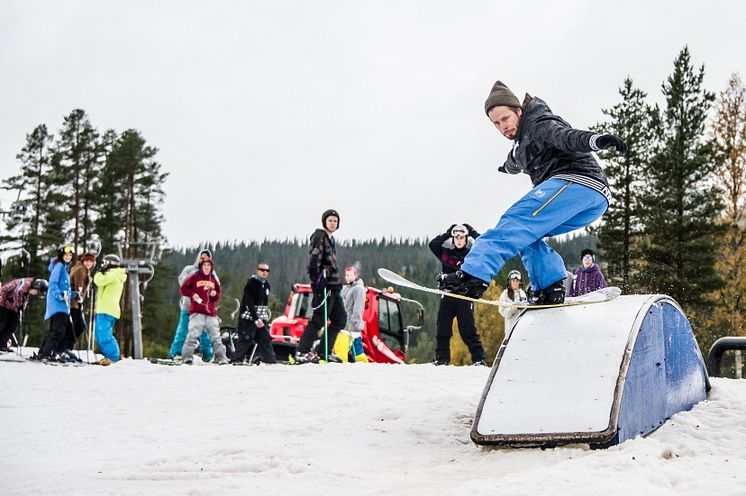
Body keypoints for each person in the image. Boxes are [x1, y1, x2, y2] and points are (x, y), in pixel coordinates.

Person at [439, 81, 627, 305]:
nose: (503, 127)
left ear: (519, 111)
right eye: (496, 124)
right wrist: (505, 167)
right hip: (591, 201)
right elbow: (513, 162)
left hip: (577, 182)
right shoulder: (518, 149)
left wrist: (595, 140)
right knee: (526, 236)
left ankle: (472, 275)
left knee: (514, 222)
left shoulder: (538, 123)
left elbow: (564, 136)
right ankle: (550, 285)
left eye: (506, 119)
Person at [430, 224, 487, 366]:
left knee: (468, 331)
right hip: (448, 296)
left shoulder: (471, 254)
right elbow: (433, 245)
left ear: (466, 239)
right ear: (453, 239)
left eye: (462, 237)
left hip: (464, 297)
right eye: (456, 237)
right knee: (443, 330)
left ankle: (479, 359)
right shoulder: (447, 254)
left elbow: (484, 245)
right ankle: (442, 359)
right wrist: (447, 233)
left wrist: (473, 233)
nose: (459, 240)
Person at [295, 209, 347, 364]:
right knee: (319, 319)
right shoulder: (320, 236)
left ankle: (324, 352)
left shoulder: (331, 239)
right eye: (330, 220)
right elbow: (314, 260)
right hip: (325, 286)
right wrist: (317, 280)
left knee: (339, 319)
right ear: (324, 221)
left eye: (335, 221)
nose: (333, 223)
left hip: (334, 286)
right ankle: (301, 351)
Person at [168, 249, 215, 361]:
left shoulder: (211, 274)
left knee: (205, 333)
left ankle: (207, 355)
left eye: (206, 259)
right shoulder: (189, 270)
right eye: (202, 258)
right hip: (188, 307)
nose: (203, 260)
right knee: (182, 330)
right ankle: (176, 353)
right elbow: (183, 283)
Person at [179, 257, 229, 365]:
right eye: (205, 265)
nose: (206, 268)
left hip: (210, 313)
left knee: (216, 336)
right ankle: (187, 357)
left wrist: (215, 294)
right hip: (197, 312)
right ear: (201, 267)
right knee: (193, 334)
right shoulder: (195, 277)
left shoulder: (213, 279)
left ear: (211, 267)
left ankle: (221, 357)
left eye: (209, 266)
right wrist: (193, 294)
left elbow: (218, 296)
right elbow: (183, 289)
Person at [231, 263, 277, 365]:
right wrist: (256, 319)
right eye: (262, 270)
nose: (265, 272)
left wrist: (262, 319)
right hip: (248, 317)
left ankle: (270, 361)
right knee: (246, 339)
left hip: (261, 317)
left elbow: (264, 304)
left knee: (265, 339)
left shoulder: (267, 285)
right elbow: (249, 303)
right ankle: (236, 360)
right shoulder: (251, 284)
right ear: (257, 271)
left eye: (267, 271)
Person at [37, 244, 75, 360]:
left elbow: (63, 287)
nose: (68, 257)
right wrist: (59, 296)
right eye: (66, 254)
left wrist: (73, 294)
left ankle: (43, 351)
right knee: (58, 331)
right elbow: (52, 283)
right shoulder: (59, 266)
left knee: (55, 330)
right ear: (61, 255)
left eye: (70, 255)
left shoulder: (63, 267)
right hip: (58, 305)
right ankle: (46, 354)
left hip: (60, 305)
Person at [93, 254, 127, 365]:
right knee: (100, 335)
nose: (103, 265)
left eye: (105, 263)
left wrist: (99, 272)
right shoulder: (115, 274)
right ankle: (110, 356)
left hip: (106, 309)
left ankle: (113, 357)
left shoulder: (112, 274)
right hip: (107, 308)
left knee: (104, 336)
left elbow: (98, 280)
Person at [62, 252, 96, 361]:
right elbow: (79, 286)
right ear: (83, 261)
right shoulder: (81, 269)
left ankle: (66, 347)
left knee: (77, 326)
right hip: (73, 303)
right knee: (76, 327)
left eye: (91, 261)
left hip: (75, 303)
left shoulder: (81, 268)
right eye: (87, 261)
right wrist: (79, 298)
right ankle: (66, 348)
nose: (88, 263)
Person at [0, 278, 47, 352]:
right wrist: (19, 306)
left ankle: (2, 344)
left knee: (13, 323)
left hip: (11, 304)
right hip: (2, 299)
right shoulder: (26, 283)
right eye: (37, 292)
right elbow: (17, 292)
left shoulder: (28, 289)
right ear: (36, 287)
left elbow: (25, 299)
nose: (35, 294)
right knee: (2, 322)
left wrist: (21, 309)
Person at [334, 266, 369, 363]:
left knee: (340, 349)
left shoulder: (359, 289)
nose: (347, 277)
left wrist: (353, 324)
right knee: (358, 352)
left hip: (350, 327)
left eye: (350, 275)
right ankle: (365, 367)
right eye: (346, 275)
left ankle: (342, 369)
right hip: (348, 326)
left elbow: (358, 308)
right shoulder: (347, 288)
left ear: (355, 275)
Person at [498, 270, 527, 334]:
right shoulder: (505, 294)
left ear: (520, 282)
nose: (515, 283)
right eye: (513, 281)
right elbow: (503, 313)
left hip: (521, 328)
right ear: (509, 282)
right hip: (510, 329)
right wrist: (513, 307)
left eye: (517, 281)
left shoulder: (522, 294)